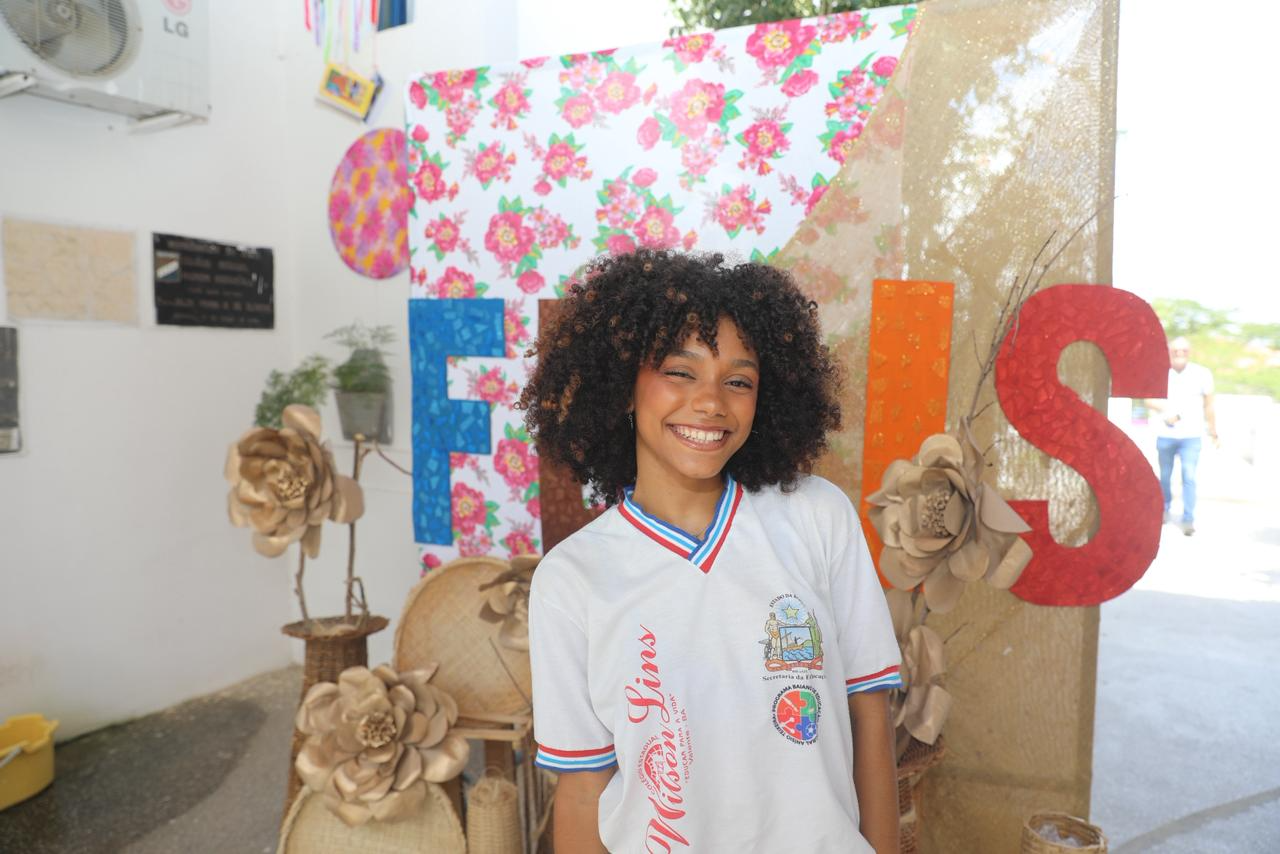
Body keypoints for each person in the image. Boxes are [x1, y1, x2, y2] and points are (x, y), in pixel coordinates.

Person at [517, 250, 902, 853]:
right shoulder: (570, 580)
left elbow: (870, 720)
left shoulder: (817, 516)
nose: (711, 401)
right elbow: (583, 790)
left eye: (738, 381)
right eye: (680, 371)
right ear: (623, 388)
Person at [1146, 336, 1217, 536]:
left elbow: (1209, 404)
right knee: (1165, 476)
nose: (1179, 353)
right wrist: (1166, 412)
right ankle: (1164, 509)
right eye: (1175, 350)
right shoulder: (1160, 373)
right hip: (1166, 435)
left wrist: (1213, 430)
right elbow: (1148, 400)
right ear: (1169, 352)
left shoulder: (1202, 374)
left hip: (1191, 436)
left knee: (1189, 476)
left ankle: (1188, 518)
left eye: (1183, 350)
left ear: (1189, 352)